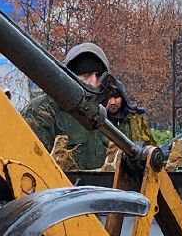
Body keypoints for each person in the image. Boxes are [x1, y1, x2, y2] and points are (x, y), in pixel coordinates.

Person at [23, 42, 114, 170]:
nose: (93, 81)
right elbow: (29, 167)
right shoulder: (42, 110)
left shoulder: (107, 113)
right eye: (86, 74)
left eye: (98, 76)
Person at [102, 77, 152, 146]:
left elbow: (149, 146)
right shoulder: (97, 121)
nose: (113, 102)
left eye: (116, 97)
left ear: (123, 98)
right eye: (109, 98)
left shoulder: (136, 119)